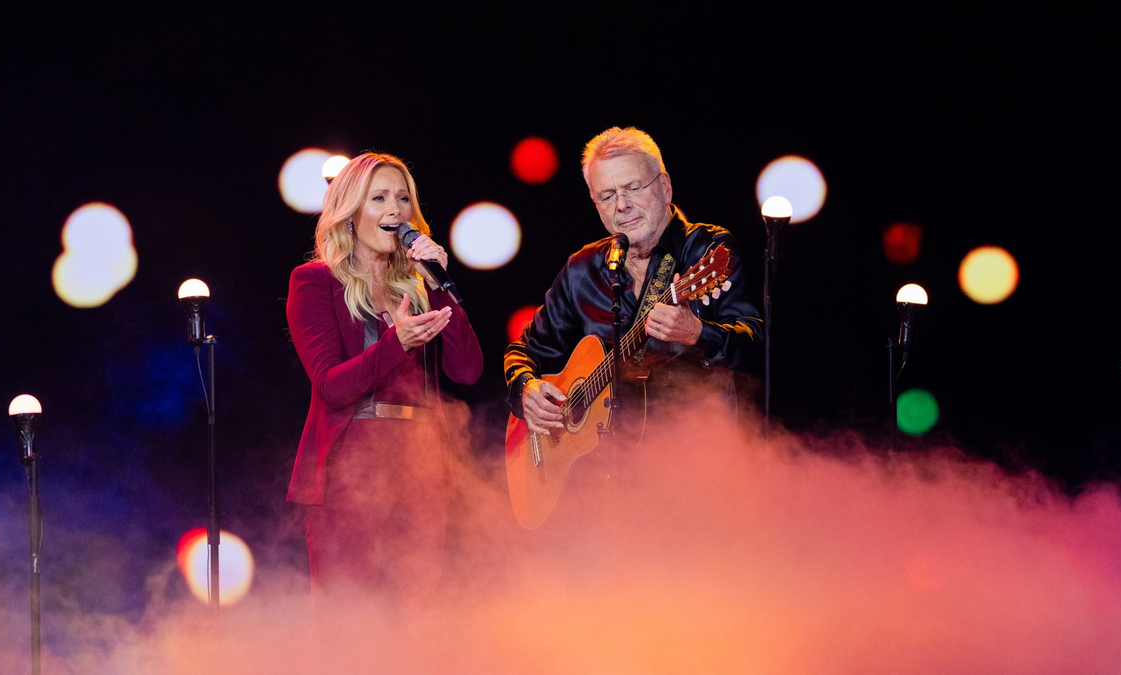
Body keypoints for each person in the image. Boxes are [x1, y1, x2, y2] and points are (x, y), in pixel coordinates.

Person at [503, 126, 763, 522]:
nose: (621, 204)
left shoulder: (705, 251)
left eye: (633, 187)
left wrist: (697, 333)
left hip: (697, 470)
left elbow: (757, 343)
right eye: (607, 195)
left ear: (665, 187)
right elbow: (525, 351)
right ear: (595, 203)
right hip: (600, 491)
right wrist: (526, 389)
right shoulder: (582, 269)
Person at [286, 152, 482, 601]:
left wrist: (437, 283)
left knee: (416, 617)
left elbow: (467, 371)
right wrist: (399, 343)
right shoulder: (315, 282)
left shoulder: (416, 285)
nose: (395, 209)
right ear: (351, 213)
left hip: (420, 468)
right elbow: (332, 386)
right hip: (349, 468)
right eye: (379, 198)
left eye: (402, 198)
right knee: (352, 617)